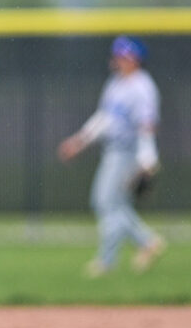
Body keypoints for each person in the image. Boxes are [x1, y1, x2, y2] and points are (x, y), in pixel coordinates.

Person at [57, 36, 165, 277]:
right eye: (117, 56)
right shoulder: (116, 84)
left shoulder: (142, 87)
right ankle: (144, 243)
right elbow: (103, 120)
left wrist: (148, 158)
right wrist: (79, 141)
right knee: (115, 205)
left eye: (123, 56)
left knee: (106, 202)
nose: (118, 60)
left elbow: (146, 126)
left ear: (135, 59)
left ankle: (110, 259)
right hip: (113, 150)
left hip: (128, 151)